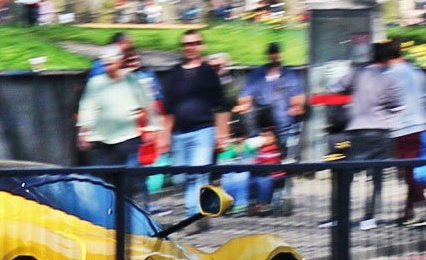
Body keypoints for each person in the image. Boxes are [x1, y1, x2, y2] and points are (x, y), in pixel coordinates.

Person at [323, 41, 405, 230]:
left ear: (371, 56)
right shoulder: (389, 80)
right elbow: (398, 107)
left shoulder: (357, 74)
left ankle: (339, 216)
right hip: (381, 131)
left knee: (346, 174)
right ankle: (369, 217)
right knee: (375, 177)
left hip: (356, 130)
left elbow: (333, 88)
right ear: (387, 59)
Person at [162, 30, 229, 221]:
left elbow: (221, 106)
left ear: (201, 46)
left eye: (194, 43)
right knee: (180, 177)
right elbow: (168, 109)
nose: (190, 47)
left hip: (203, 131)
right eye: (187, 44)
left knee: (198, 174)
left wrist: (222, 134)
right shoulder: (174, 74)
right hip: (179, 133)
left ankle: (193, 216)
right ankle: (196, 211)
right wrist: (164, 135)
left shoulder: (209, 73)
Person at [77, 46, 160, 171]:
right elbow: (87, 107)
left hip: (128, 137)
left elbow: (148, 103)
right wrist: (83, 133)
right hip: (101, 139)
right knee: (105, 176)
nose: (107, 63)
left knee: (128, 175)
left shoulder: (132, 80)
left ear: (120, 61)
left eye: (111, 60)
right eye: (105, 61)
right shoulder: (95, 82)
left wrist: (152, 127)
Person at [386, 42, 426, 227]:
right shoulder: (416, 72)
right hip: (420, 124)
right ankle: (408, 211)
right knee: (412, 169)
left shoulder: (387, 75)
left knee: (409, 171)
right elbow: (425, 98)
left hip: (401, 127)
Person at [238, 42, 306, 155]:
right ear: (267, 55)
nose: (274, 55)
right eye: (271, 53)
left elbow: (299, 99)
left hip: (286, 127)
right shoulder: (257, 75)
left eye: (276, 53)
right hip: (263, 128)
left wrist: (296, 106)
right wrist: (246, 104)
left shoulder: (290, 75)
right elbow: (244, 97)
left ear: (280, 54)